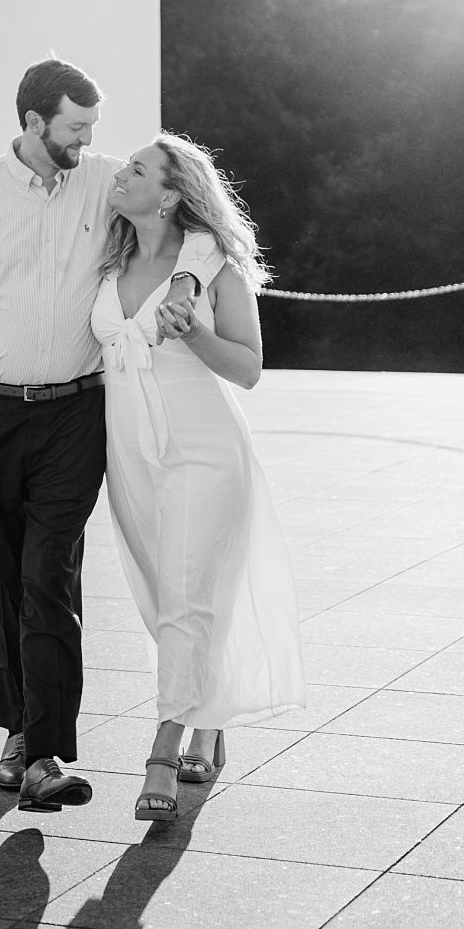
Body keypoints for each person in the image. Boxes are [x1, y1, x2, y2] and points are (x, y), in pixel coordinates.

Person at [0, 58, 217, 813]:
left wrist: (186, 278)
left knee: (47, 577)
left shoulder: (107, 181)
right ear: (32, 123)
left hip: (71, 418)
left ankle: (46, 753)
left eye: (93, 128)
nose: (90, 141)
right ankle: (20, 732)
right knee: (0, 585)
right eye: (75, 128)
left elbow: (197, 218)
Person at [90, 131, 306, 822]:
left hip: (204, 451)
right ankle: (208, 716)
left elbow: (248, 368)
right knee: (167, 595)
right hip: (130, 453)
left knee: (184, 599)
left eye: (138, 169)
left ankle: (162, 751)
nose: (122, 174)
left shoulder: (216, 273)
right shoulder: (107, 263)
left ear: (172, 194)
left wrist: (193, 333)